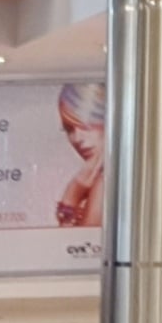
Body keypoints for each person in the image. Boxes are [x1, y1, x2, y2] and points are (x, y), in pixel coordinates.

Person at [54, 80, 108, 229]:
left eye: (86, 126)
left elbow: (80, 241)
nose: (77, 138)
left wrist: (73, 192)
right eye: (69, 129)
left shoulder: (105, 183)